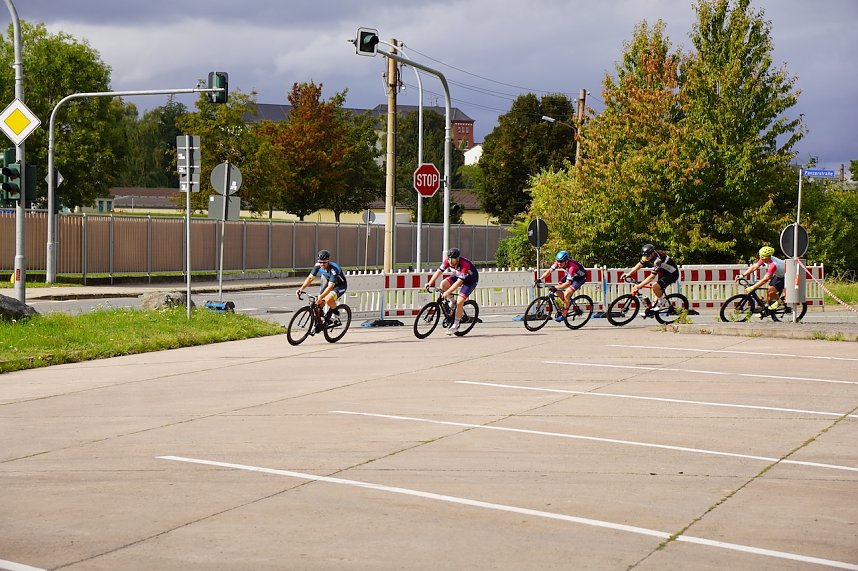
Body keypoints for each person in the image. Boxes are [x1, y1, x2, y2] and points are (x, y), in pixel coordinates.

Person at [425, 247, 479, 335]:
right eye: (449, 259)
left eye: (452, 260)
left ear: (457, 259)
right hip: (458, 275)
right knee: (443, 284)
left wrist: (448, 292)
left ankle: (456, 325)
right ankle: (452, 301)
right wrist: (430, 282)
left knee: (460, 301)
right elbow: (439, 271)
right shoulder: (448, 261)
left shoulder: (465, 264)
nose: (450, 262)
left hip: (470, 280)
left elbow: (458, 282)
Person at [621, 244, 679, 310]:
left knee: (655, 286)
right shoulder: (647, 255)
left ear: (652, 253)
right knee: (656, 294)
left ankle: (661, 302)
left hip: (672, 274)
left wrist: (638, 286)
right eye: (644, 256)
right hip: (663, 272)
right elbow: (639, 265)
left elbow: (651, 277)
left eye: (648, 256)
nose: (646, 257)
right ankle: (654, 309)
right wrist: (629, 274)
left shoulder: (658, 260)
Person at [296, 249, 348, 319]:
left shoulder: (334, 269)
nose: (322, 264)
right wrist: (301, 289)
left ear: (328, 261)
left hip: (340, 285)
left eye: (324, 262)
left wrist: (321, 296)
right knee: (318, 303)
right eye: (320, 262)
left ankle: (335, 312)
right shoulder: (318, 266)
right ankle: (321, 323)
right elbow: (310, 278)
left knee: (328, 299)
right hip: (330, 283)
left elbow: (330, 287)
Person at [537, 250, 587, 322]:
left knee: (566, 293)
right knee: (558, 287)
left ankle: (564, 315)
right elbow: (549, 271)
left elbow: (567, 283)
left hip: (580, 278)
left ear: (566, 261)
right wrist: (540, 278)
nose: (559, 263)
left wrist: (555, 288)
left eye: (561, 262)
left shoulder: (572, 267)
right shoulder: (559, 262)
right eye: (558, 261)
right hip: (572, 275)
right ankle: (566, 303)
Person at [736, 246, 785, 310]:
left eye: (762, 257)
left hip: (785, 276)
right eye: (760, 256)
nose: (760, 258)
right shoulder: (764, 258)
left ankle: (779, 302)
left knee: (771, 292)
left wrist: (752, 287)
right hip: (779, 275)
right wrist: (742, 275)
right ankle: (766, 309)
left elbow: (765, 279)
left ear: (768, 257)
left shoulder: (773, 265)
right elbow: (754, 267)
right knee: (769, 292)